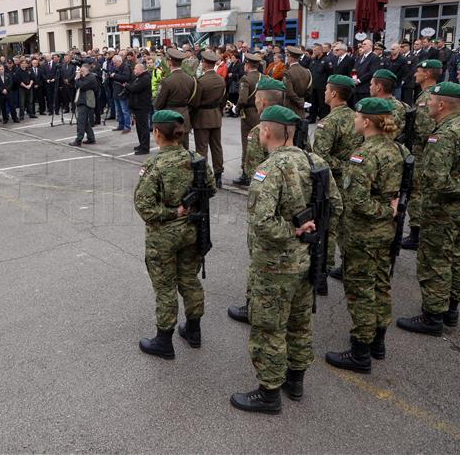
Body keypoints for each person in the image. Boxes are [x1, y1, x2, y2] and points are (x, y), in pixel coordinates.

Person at [230, 105, 341, 414]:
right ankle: (295, 381)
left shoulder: (270, 169)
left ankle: (268, 393)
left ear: (267, 131)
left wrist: (293, 231)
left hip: (274, 266)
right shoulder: (316, 161)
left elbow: (262, 223)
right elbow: (337, 207)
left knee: (269, 328)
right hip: (308, 260)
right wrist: (312, 232)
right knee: (300, 322)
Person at [325, 98, 407, 373]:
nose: (355, 121)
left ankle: (361, 351)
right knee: (381, 283)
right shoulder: (398, 148)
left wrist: (386, 211)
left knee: (360, 289)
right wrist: (390, 211)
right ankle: (377, 342)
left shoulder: (364, 155)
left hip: (363, 233)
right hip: (385, 233)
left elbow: (358, 202)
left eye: (358, 117)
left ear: (368, 122)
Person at [134, 110, 215, 359]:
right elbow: (210, 189)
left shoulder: (154, 165)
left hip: (164, 237)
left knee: (165, 286)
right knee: (189, 279)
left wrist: (173, 212)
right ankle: (194, 331)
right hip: (192, 232)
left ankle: (164, 340)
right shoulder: (196, 159)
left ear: (157, 133)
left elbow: (144, 206)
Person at [396, 82, 460, 335]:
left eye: (432, 102)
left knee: (435, 261)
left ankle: (433, 316)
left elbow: (437, 180)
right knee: (458, 258)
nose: (427, 107)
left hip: (443, 210)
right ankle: (450, 310)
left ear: (442, 104)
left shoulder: (445, 134)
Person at [227, 77, 298, 324]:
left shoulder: (260, 131)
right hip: (295, 202)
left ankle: (253, 305)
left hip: (267, 200)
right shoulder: (291, 125)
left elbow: (252, 168)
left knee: (260, 257)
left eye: (257, 99)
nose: (255, 103)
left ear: (262, 102)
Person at [312, 75, 361, 280]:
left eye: (326, 89)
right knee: (347, 226)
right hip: (354, 180)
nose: (324, 92)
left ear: (333, 93)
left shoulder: (329, 122)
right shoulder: (357, 117)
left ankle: (323, 269)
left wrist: (344, 165)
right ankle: (347, 266)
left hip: (333, 181)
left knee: (328, 227)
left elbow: (320, 158)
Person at [401, 59, 442, 250]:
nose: (415, 74)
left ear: (427, 74)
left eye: (418, 71)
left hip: (421, 151)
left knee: (416, 192)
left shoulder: (427, 97)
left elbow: (425, 130)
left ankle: (416, 233)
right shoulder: (432, 93)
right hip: (426, 151)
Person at [191, 50, 227, 187]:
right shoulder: (220, 80)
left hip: (202, 117)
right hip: (216, 115)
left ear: (205, 64)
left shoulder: (201, 81)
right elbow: (224, 98)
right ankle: (218, 175)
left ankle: (203, 176)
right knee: (217, 147)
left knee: (202, 148)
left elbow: (195, 102)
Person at [154, 48, 196, 150]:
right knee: (184, 149)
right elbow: (193, 100)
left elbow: (158, 104)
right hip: (184, 116)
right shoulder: (190, 79)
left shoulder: (167, 81)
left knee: (169, 149)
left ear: (169, 62)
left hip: (169, 119)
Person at [232, 53, 263, 186]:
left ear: (247, 65)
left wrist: (236, 109)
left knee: (247, 143)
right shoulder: (263, 77)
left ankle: (246, 173)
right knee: (260, 143)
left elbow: (243, 99)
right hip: (261, 112)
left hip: (249, 114)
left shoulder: (246, 79)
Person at [369, 69, 408, 142]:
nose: (370, 87)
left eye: (371, 84)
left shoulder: (383, 109)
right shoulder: (403, 105)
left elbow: (384, 137)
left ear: (378, 87)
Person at [69, 64, 100, 147]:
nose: (80, 72)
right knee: (84, 122)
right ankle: (91, 138)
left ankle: (78, 140)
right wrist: (78, 79)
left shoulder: (91, 77)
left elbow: (81, 85)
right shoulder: (84, 77)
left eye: (82, 71)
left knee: (81, 122)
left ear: (87, 70)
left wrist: (77, 79)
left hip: (86, 102)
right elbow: (77, 86)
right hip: (82, 101)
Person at [126, 63, 153, 155]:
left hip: (142, 106)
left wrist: (127, 86)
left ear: (141, 69)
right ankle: (141, 144)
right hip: (137, 106)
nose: (134, 71)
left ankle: (145, 148)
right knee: (139, 127)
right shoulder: (139, 77)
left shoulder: (145, 78)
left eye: (135, 69)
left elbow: (134, 88)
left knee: (143, 127)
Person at [283, 46, 313, 118]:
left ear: (290, 57)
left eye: (287, 56)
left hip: (290, 105)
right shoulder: (307, 71)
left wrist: (299, 102)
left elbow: (289, 92)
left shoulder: (288, 73)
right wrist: (301, 100)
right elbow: (309, 90)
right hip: (301, 105)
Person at [308, 44, 333, 122]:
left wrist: (328, 85)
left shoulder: (327, 60)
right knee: (313, 103)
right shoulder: (313, 60)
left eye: (315, 50)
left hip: (322, 86)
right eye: (313, 50)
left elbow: (330, 73)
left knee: (322, 104)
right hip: (313, 85)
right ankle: (312, 117)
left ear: (320, 50)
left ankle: (323, 118)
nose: (314, 51)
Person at [353, 40, 381, 106]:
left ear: (370, 46)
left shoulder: (374, 57)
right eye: (362, 44)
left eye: (365, 44)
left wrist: (359, 80)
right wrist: (354, 78)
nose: (362, 45)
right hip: (356, 88)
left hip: (366, 88)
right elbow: (354, 69)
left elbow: (372, 72)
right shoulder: (359, 57)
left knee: (365, 107)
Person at [109, 54, 132, 133]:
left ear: (119, 61)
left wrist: (115, 75)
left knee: (125, 110)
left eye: (115, 62)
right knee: (119, 110)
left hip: (123, 92)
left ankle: (127, 126)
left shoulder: (125, 67)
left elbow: (126, 78)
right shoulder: (117, 68)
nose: (114, 64)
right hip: (116, 91)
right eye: (113, 63)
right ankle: (121, 125)